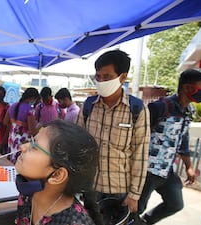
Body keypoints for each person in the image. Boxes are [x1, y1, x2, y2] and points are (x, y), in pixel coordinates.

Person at [77, 50, 150, 214]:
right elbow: (77, 146)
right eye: (98, 77)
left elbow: (140, 154)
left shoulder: (137, 109)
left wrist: (134, 195)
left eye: (107, 77)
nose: (101, 81)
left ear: (122, 77)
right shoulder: (88, 106)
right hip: (90, 188)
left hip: (119, 192)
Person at [138, 69, 201, 224]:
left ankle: (144, 222)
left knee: (175, 204)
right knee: (136, 207)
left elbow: (183, 140)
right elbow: (137, 134)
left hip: (167, 171)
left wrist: (189, 167)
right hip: (147, 171)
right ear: (187, 88)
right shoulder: (161, 107)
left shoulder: (189, 111)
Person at [15, 120, 102, 225]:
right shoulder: (28, 196)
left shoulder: (74, 222)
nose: (22, 147)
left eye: (34, 147)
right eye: (31, 140)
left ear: (57, 175)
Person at [4, 87, 40, 162]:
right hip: (23, 142)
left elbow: (5, 121)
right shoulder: (30, 110)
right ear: (32, 98)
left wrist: (15, 124)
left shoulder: (12, 106)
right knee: (20, 162)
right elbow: (32, 131)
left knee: (11, 162)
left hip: (12, 139)